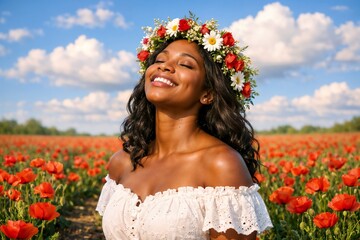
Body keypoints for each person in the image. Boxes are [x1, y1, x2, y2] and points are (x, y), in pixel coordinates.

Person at [96, 14, 273, 240]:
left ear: (207, 94)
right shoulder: (121, 162)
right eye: (160, 60)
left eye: (185, 64)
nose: (165, 68)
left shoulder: (221, 164)